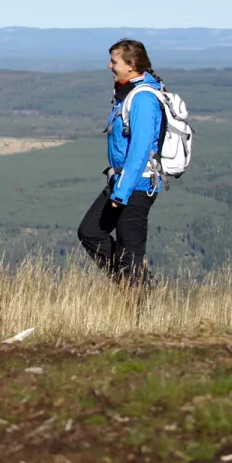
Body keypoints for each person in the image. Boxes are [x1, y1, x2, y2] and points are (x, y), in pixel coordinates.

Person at [77, 39, 164, 287]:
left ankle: (139, 304)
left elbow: (139, 151)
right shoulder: (128, 93)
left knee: (130, 252)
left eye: (114, 61)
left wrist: (121, 194)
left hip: (138, 185)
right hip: (122, 182)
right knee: (90, 231)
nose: (109, 66)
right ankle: (137, 284)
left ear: (131, 65)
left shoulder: (143, 98)